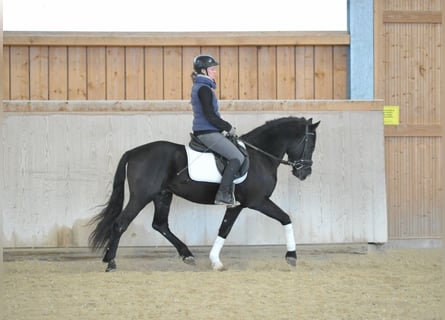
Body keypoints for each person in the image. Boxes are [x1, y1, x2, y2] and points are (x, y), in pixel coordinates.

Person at [190, 54, 244, 206]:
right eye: (212, 69)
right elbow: (210, 116)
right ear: (203, 71)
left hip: (208, 130)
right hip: (206, 132)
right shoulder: (204, 89)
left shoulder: (203, 87)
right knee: (237, 157)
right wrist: (228, 128)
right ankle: (222, 194)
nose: (215, 72)